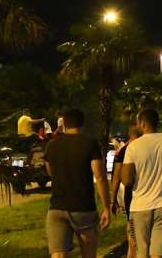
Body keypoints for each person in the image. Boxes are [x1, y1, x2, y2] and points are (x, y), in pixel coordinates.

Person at [43, 109, 110, 258]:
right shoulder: (90, 144)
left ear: (64, 125)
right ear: (82, 124)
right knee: (89, 255)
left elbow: (51, 173)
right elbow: (100, 177)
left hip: (57, 208)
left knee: (58, 255)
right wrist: (106, 207)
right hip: (83, 208)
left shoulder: (51, 145)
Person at [122, 109, 162, 258]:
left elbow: (126, 180)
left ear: (142, 123)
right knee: (160, 253)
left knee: (141, 253)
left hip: (139, 207)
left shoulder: (133, 146)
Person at [111, 124, 143, 258]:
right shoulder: (139, 148)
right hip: (134, 194)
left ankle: (131, 253)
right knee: (135, 232)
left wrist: (113, 199)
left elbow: (116, 176)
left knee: (131, 228)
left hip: (124, 194)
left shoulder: (123, 149)